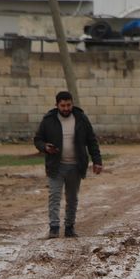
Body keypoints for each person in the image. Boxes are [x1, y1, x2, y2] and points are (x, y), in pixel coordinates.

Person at [34, 91, 103, 239]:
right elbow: (38, 139)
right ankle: (54, 228)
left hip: (75, 166)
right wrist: (44, 147)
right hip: (55, 165)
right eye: (63, 105)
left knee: (72, 198)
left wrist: (97, 161)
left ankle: (70, 227)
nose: (66, 108)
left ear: (72, 104)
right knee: (54, 196)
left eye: (68, 105)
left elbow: (91, 141)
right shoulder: (48, 120)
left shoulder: (81, 118)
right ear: (57, 105)